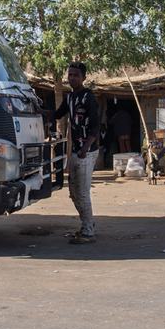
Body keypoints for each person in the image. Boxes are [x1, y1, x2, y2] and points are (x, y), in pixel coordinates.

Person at [51, 61, 101, 244]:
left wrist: (85, 148)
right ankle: (87, 224)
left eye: (75, 75)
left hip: (86, 152)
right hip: (75, 152)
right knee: (73, 191)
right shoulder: (70, 98)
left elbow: (95, 126)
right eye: (70, 74)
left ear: (84, 77)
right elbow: (58, 114)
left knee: (82, 192)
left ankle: (88, 231)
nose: (72, 78)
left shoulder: (89, 98)